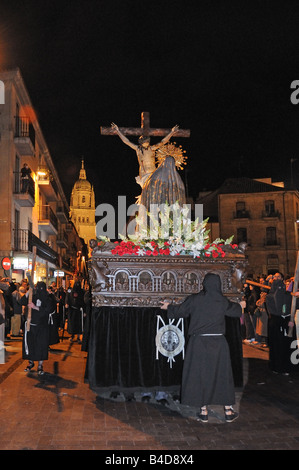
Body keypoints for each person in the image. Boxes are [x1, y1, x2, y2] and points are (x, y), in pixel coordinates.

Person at [160, 273, 244, 423]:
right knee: (222, 376)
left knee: (201, 375)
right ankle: (228, 411)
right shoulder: (221, 300)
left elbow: (179, 312)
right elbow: (236, 311)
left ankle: (203, 411)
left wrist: (168, 307)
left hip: (199, 343)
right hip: (218, 344)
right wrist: (241, 306)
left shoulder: (195, 299)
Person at [111, 122, 179, 188]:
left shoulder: (152, 148)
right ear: (141, 142)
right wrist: (118, 131)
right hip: (144, 175)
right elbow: (126, 141)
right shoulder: (138, 149)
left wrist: (172, 132)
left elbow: (163, 141)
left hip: (153, 174)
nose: (146, 142)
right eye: (144, 140)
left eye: (147, 140)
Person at [22, 281, 56, 375]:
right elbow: (22, 301)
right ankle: (30, 363)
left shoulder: (47, 298)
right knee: (31, 344)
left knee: (41, 346)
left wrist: (35, 307)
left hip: (42, 327)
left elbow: (48, 310)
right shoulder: (32, 296)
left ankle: (40, 365)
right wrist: (29, 291)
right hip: (31, 325)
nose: (39, 290)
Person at [266, 272, 292, 374]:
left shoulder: (287, 295)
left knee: (285, 346)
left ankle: (285, 365)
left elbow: (288, 308)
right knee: (277, 346)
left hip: (285, 322)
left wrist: (289, 319)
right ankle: (277, 366)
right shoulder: (270, 296)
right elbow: (276, 308)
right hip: (277, 323)